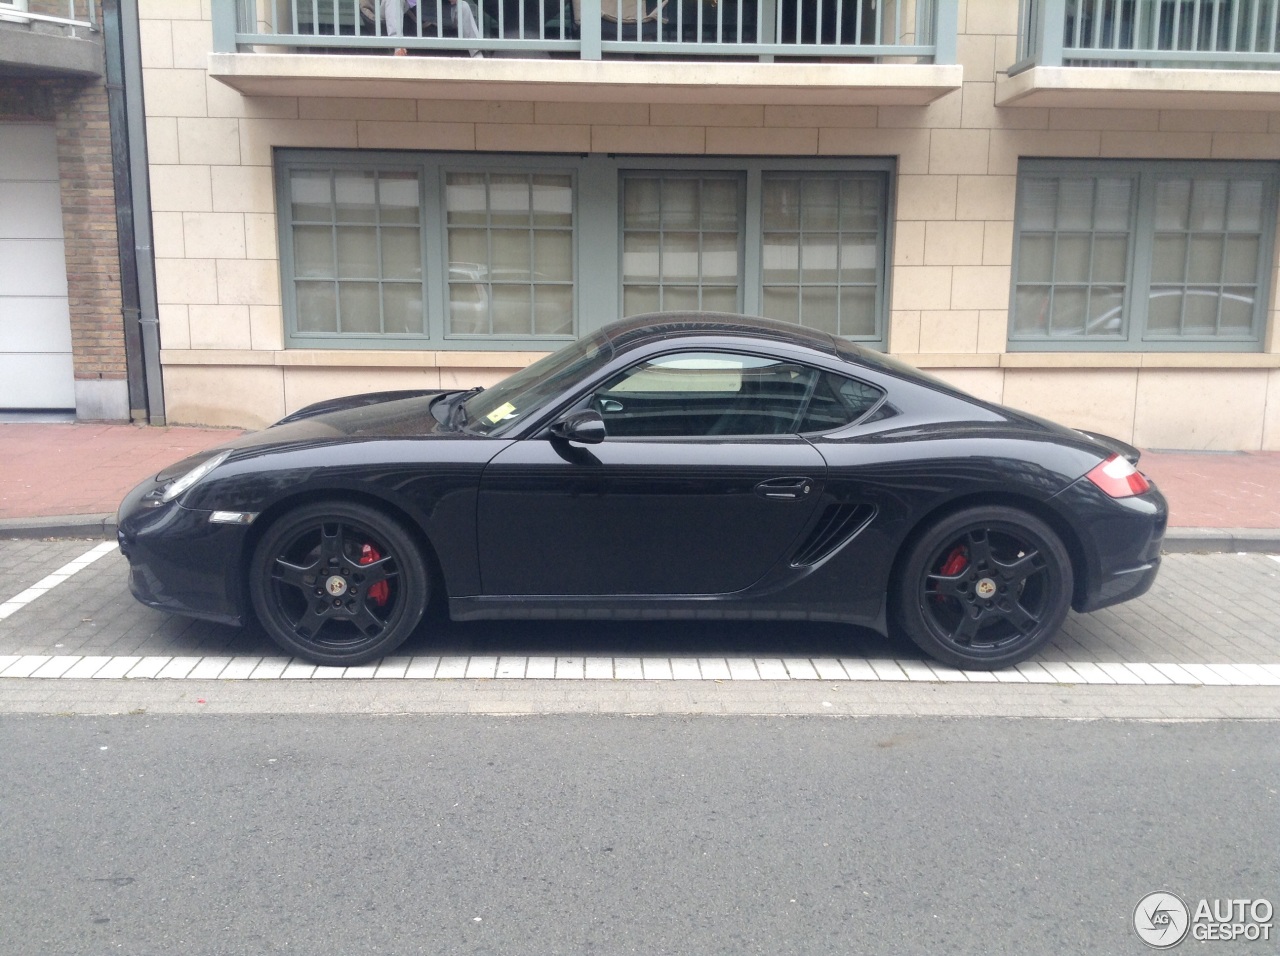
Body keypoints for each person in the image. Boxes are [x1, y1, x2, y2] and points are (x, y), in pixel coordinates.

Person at [382, 0, 484, 57]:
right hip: (404, 8)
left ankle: (477, 55)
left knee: (463, 7)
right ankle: (398, 47)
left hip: (431, 8)